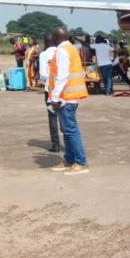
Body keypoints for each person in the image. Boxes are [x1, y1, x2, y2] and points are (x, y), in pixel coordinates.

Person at [47, 27, 90, 175]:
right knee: (66, 131)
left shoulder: (62, 51)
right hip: (68, 97)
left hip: (66, 98)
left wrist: (55, 97)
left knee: (71, 131)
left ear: (54, 37)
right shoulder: (70, 48)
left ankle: (81, 162)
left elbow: (62, 76)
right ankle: (69, 160)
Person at [39, 34, 60, 153]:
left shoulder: (44, 54)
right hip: (63, 89)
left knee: (52, 116)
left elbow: (43, 74)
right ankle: (68, 143)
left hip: (50, 90)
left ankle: (55, 144)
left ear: (46, 43)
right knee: (64, 116)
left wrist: (43, 82)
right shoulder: (61, 51)